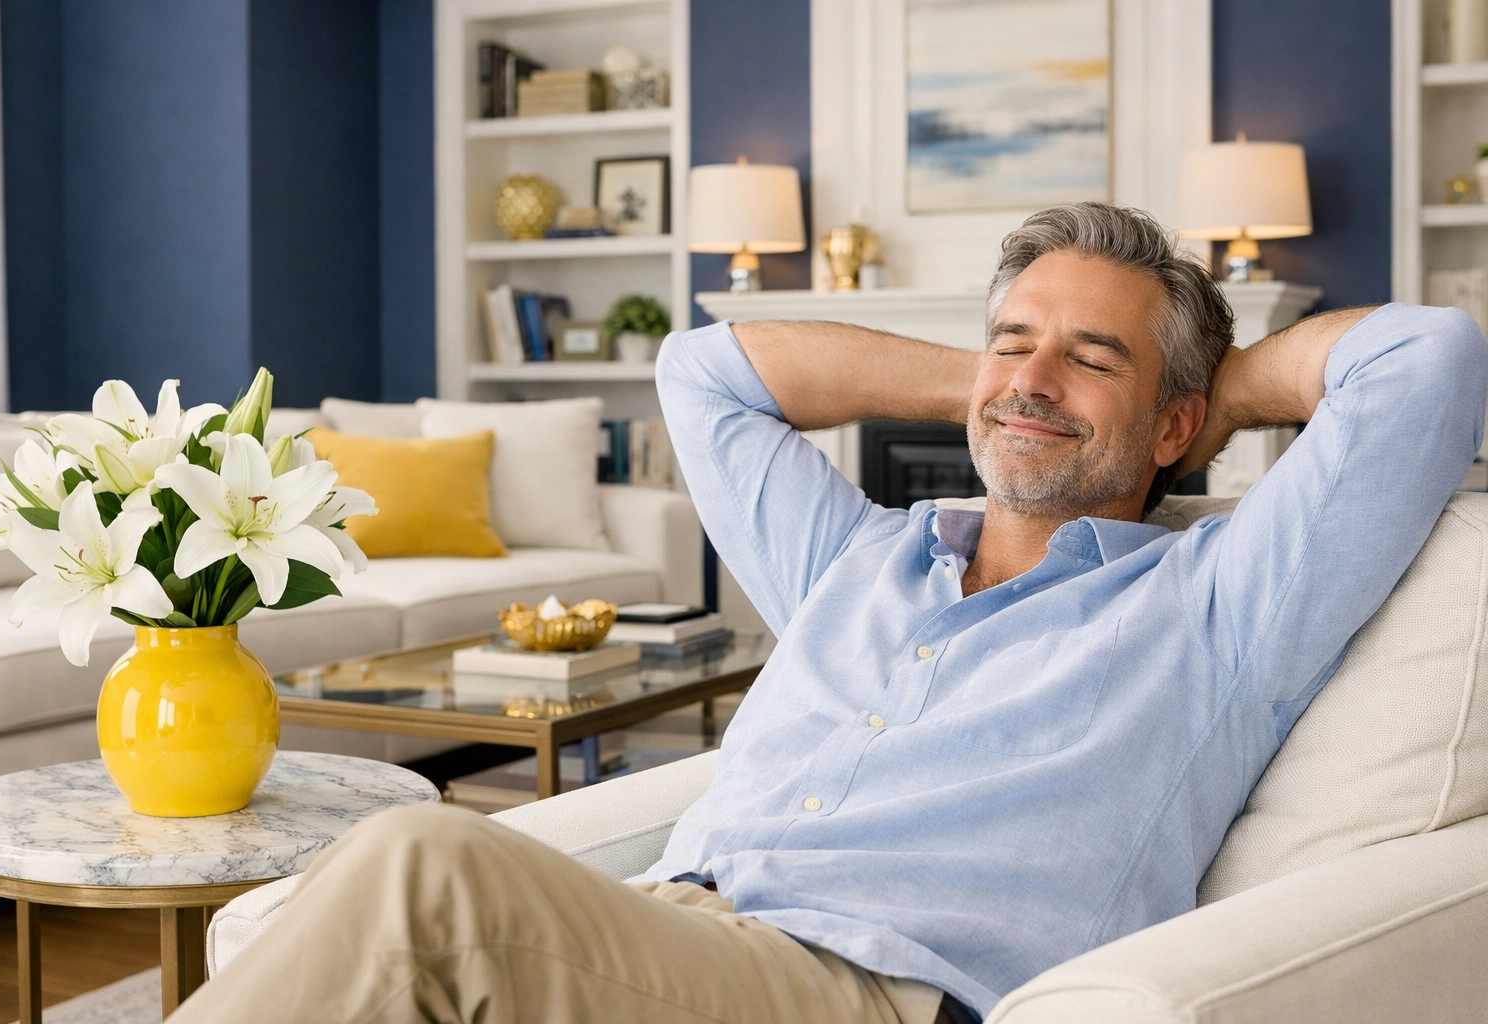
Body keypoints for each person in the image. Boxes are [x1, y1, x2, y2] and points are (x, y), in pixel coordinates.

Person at [174, 203, 1487, 1024]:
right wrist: (1015, 381)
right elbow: (704, 370)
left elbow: (1432, 358)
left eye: (1094, 356)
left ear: (1179, 423)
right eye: (1010, 338)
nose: (1033, 379)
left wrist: (1208, 383)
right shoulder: (861, 562)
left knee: (426, 863)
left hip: (863, 994)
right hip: (680, 945)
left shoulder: (1216, 607)